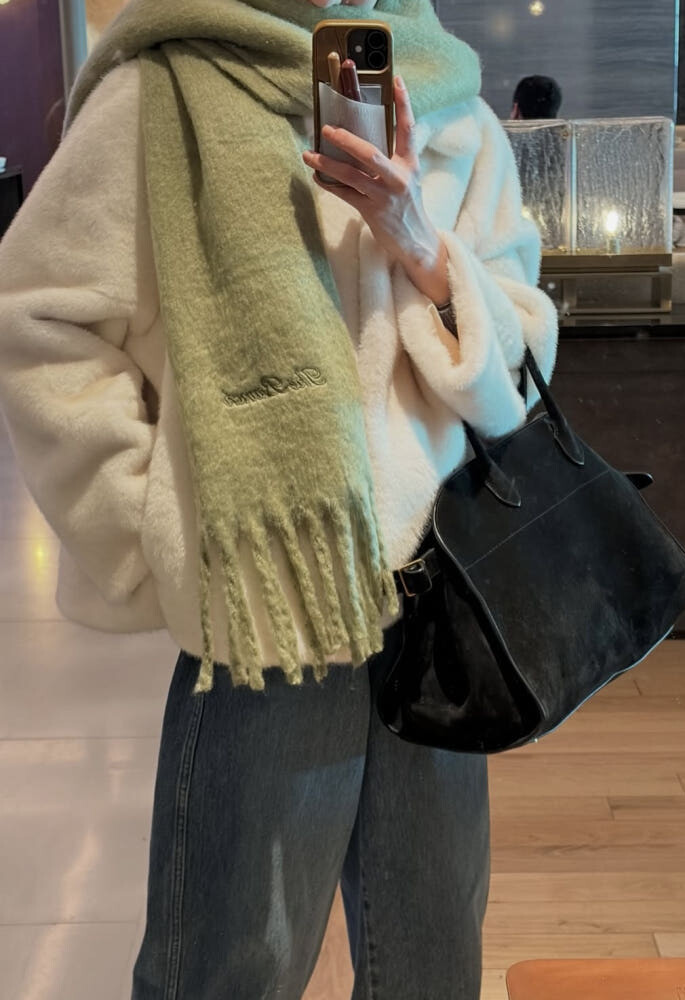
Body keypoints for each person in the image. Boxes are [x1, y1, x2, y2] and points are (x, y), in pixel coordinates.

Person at [0, 1, 558, 997]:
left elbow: (519, 355)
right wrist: (153, 534)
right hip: (267, 603)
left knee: (431, 960)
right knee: (227, 967)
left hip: (436, 593)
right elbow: (38, 322)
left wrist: (420, 245)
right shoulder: (161, 91)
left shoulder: (451, 108)